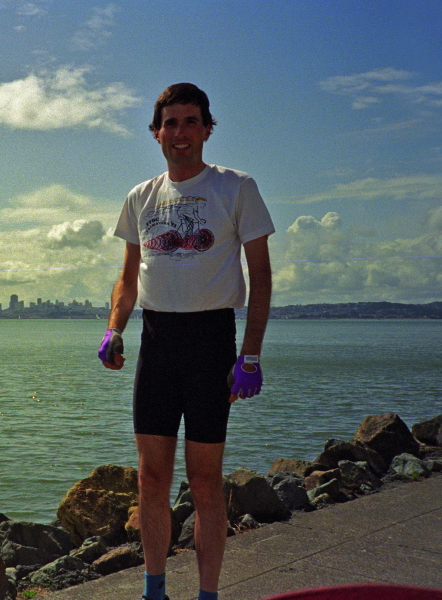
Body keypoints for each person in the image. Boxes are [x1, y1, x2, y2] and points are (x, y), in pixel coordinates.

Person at [98, 83, 274, 600]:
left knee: (205, 483)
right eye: (170, 123)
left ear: (207, 129)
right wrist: (114, 327)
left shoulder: (236, 187)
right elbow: (128, 278)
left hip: (210, 342)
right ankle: (154, 591)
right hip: (157, 343)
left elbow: (259, 277)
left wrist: (251, 355)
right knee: (150, 480)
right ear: (156, 132)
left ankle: (208, 595)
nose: (180, 133)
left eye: (190, 121)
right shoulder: (140, 197)